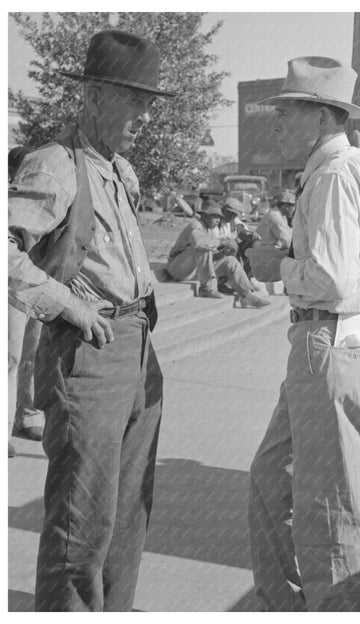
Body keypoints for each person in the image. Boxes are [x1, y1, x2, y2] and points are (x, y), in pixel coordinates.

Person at [8, 30, 174, 611]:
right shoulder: (55, 164)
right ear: (95, 96)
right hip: (87, 354)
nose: (144, 116)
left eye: (148, 104)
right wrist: (66, 304)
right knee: (82, 525)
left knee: (128, 517)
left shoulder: (119, 170)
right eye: (135, 101)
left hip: (135, 348)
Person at [247, 56, 360, 611]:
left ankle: (341, 611)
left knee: (329, 502)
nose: (277, 125)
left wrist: (276, 265)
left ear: (319, 116)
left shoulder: (334, 176)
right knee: (272, 477)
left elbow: (333, 277)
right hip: (344, 341)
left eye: (285, 113)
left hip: (328, 342)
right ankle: (285, 604)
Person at [8, 147, 45, 457]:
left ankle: (28, 414)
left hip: (37, 284)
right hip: (12, 286)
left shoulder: (41, 197)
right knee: (10, 358)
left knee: (31, 352)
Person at [166, 198, 270, 306]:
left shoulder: (210, 230)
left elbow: (207, 257)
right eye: (215, 217)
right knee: (203, 247)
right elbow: (198, 243)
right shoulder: (196, 225)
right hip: (177, 269)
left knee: (231, 261)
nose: (218, 221)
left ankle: (246, 295)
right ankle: (206, 288)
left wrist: (221, 254)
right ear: (205, 216)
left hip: (193, 270)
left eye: (219, 218)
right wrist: (221, 242)